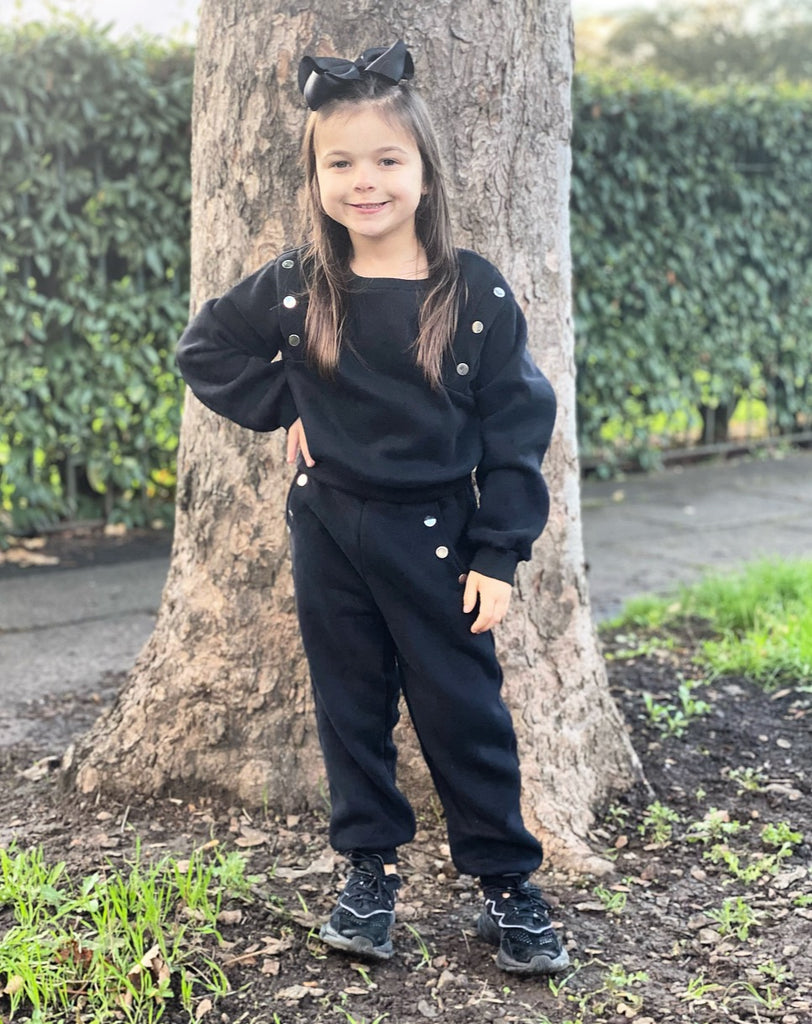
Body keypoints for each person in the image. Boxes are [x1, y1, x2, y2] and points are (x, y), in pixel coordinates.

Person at [177, 39, 568, 975]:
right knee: (350, 706)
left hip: (441, 541)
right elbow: (206, 350)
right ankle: (369, 872)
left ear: (425, 171)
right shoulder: (295, 287)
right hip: (329, 530)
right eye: (340, 163)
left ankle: (507, 884)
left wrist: (499, 553)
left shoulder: (473, 292)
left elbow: (517, 429)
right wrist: (288, 403)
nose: (365, 181)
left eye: (388, 160)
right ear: (314, 178)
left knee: (463, 711)